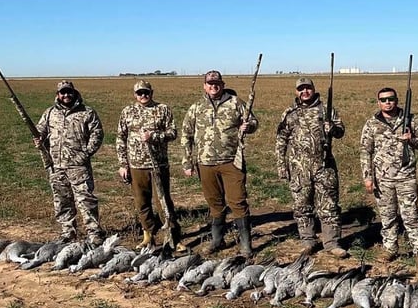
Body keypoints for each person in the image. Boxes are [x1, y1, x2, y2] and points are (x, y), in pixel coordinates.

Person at [181, 70, 257, 258]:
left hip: (232, 162)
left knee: (238, 201)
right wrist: (187, 162)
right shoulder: (196, 107)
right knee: (214, 203)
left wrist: (248, 126)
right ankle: (217, 240)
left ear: (222, 85)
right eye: (210, 83)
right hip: (205, 163)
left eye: (217, 83)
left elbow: (254, 121)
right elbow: (186, 135)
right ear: (204, 86)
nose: (213, 86)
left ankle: (246, 245)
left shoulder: (235, 103)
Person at [276, 77, 348, 258]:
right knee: (302, 205)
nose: (304, 92)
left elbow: (340, 132)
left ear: (314, 89)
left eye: (307, 88)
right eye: (301, 89)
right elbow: (281, 141)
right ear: (296, 92)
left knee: (329, 206)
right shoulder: (289, 113)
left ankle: (332, 243)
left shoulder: (326, 110)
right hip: (299, 168)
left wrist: (332, 128)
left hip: (324, 166)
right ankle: (308, 240)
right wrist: (281, 165)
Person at [360, 87, 418, 269]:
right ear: (378, 102)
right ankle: (390, 249)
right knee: (387, 216)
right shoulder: (372, 124)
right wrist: (368, 177)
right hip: (382, 179)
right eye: (383, 99)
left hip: (406, 177)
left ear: (397, 100)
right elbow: (365, 151)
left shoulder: (411, 120)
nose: (387, 102)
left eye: (391, 99)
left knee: (411, 216)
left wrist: (412, 139)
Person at [35, 80, 105, 244]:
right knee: (62, 201)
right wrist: (38, 139)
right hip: (56, 166)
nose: (66, 95)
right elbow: (40, 130)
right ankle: (68, 233)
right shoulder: (50, 113)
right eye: (62, 92)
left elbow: (97, 134)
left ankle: (94, 233)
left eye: (69, 92)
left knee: (86, 200)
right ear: (58, 95)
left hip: (79, 166)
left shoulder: (87, 112)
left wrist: (86, 153)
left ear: (74, 93)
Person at [116, 80, 182, 250]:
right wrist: (123, 164)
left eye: (146, 92)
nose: (143, 96)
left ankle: (174, 237)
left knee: (164, 202)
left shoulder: (162, 109)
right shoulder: (127, 111)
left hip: (158, 164)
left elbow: (173, 133)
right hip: (136, 165)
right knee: (142, 202)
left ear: (152, 93)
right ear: (135, 94)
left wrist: (154, 136)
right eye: (140, 93)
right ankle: (148, 236)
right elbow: (120, 138)